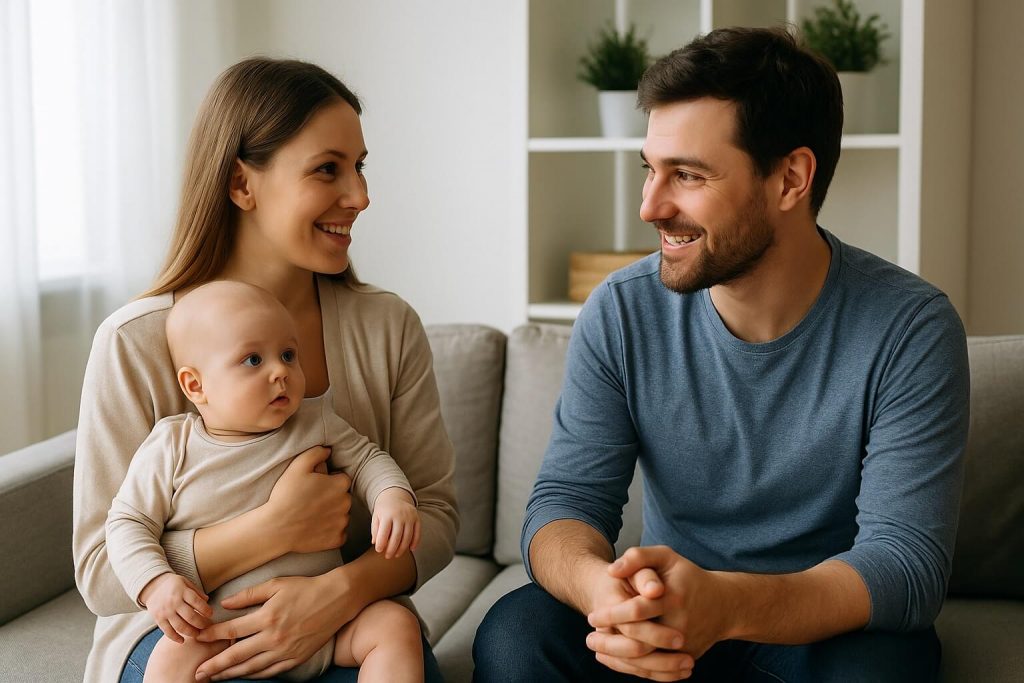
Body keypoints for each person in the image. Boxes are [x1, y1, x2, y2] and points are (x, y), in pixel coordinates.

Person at [473, 26, 969, 683]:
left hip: (812, 631)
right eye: (650, 169)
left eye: (687, 175)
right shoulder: (621, 311)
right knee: (517, 636)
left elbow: (906, 564)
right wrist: (605, 593)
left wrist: (726, 605)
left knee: (882, 668)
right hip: (665, 613)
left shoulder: (909, 328)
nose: (650, 206)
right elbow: (564, 501)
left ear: (790, 178)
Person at [72, 57, 458, 683]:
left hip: (344, 620)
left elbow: (435, 514)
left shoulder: (388, 326)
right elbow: (99, 568)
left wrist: (338, 592)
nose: (360, 197)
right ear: (241, 184)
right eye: (327, 169)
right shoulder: (134, 341)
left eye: (359, 167)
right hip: (185, 633)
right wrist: (273, 528)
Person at [106, 280, 424, 683]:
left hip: (327, 623)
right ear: (195, 385)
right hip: (223, 632)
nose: (281, 372)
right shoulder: (172, 446)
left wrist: (392, 497)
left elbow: (368, 460)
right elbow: (127, 524)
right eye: (253, 360)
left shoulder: (315, 421)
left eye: (288, 355)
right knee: (172, 656)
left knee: (395, 625)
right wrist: (155, 583)